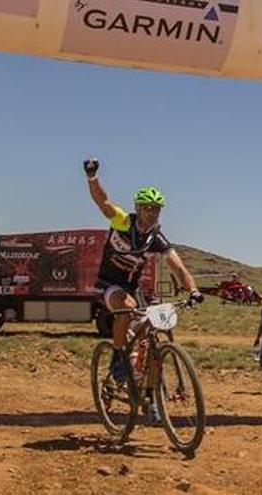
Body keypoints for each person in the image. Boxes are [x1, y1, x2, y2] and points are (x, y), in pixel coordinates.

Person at [84, 158, 203, 387]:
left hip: (132, 288)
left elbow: (178, 266)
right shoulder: (122, 222)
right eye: (148, 208)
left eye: (157, 209)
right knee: (126, 308)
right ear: (138, 208)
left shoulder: (155, 238)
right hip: (107, 284)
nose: (152, 213)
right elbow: (103, 202)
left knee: (151, 335)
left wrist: (194, 290)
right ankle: (118, 356)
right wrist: (92, 177)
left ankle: (150, 396)